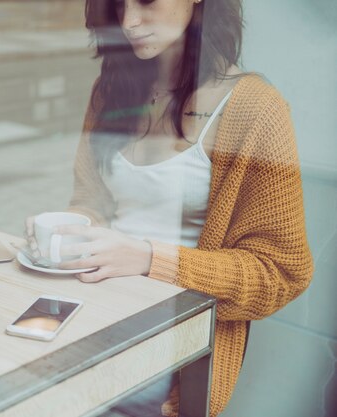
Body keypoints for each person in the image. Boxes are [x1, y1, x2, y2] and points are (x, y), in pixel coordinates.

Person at [25, 0, 314, 416]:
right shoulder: (110, 91)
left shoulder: (254, 108)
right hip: (91, 319)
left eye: (145, 1)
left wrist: (147, 259)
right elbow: (91, 200)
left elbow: (280, 273)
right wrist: (70, 229)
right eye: (117, 5)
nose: (128, 22)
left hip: (171, 351)